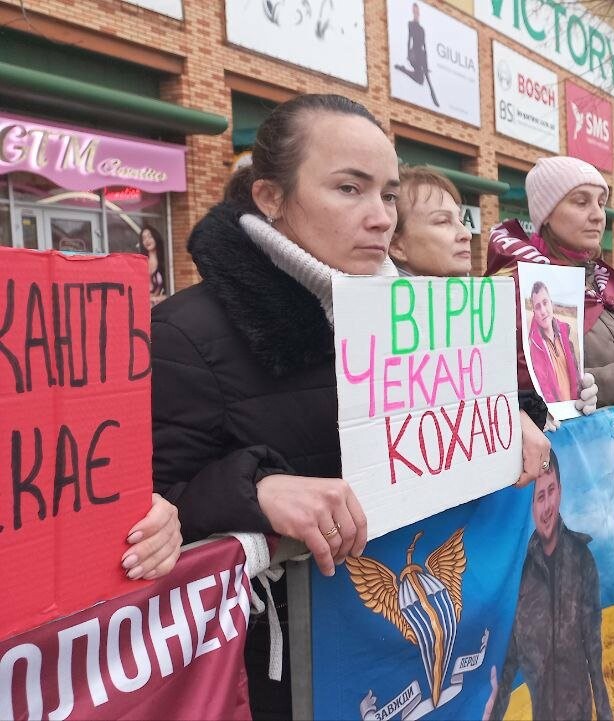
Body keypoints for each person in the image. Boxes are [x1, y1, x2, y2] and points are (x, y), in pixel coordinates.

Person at [151, 94, 400, 718]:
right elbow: (142, 512)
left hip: (397, 648)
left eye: (389, 194)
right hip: (275, 677)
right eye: (349, 189)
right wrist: (254, 492)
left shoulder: (413, 320)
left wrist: (507, 423)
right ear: (270, 197)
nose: (381, 219)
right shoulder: (183, 335)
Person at [487, 156, 614, 408]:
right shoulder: (526, 286)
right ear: (546, 214)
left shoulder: (595, 283)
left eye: (601, 203)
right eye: (581, 202)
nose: (598, 216)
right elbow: (537, 387)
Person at [387, 164, 554, 483]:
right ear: (397, 245)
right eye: (442, 221)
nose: (465, 234)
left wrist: (524, 409)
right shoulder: (378, 325)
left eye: (461, 220)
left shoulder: (474, 314)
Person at [485, 449, 611, 721]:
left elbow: (594, 648)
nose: (547, 507)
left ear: (560, 491)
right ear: (530, 506)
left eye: (551, 491)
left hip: (580, 712)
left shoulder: (581, 559)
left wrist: (605, 714)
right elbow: (507, 669)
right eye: (539, 497)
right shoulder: (520, 575)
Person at [527, 280, 583, 403]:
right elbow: (545, 390)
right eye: (538, 307)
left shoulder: (565, 334)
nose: (543, 311)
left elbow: (576, 374)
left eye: (545, 303)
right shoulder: (534, 348)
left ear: (551, 304)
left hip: (575, 407)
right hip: (555, 412)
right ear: (534, 312)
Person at [394, 2, 439, 106]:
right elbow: (409, 39)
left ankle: (434, 99)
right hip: (414, 53)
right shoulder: (410, 24)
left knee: (426, 77)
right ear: (413, 12)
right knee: (421, 80)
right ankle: (403, 69)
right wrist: (408, 54)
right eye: (414, 11)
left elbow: (424, 45)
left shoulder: (422, 29)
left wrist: (426, 64)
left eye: (417, 11)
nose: (416, 13)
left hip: (422, 54)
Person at [138, 224, 166, 304]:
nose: (147, 240)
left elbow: (170, 289)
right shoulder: (141, 262)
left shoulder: (164, 261)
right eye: (144, 238)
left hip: (160, 304)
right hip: (144, 304)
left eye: (150, 236)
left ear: (155, 237)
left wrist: (161, 298)